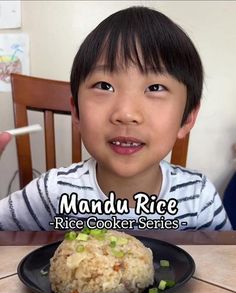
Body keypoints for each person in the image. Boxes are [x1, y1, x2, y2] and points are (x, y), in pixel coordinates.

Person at [0, 6, 231, 231]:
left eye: (155, 87)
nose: (126, 114)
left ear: (188, 118)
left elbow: (226, 262)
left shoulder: (199, 198)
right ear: (76, 112)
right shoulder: (53, 193)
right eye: (104, 86)